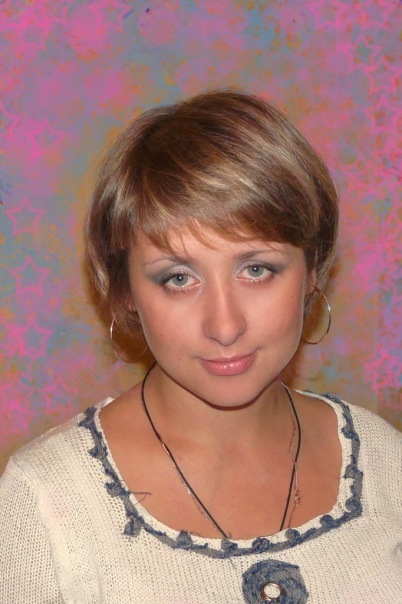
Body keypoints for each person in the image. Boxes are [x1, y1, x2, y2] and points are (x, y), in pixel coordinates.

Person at [0, 90, 400, 603]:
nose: (225, 326)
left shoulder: (386, 462)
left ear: (312, 269)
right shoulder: (45, 504)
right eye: (178, 278)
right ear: (124, 292)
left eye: (257, 269)